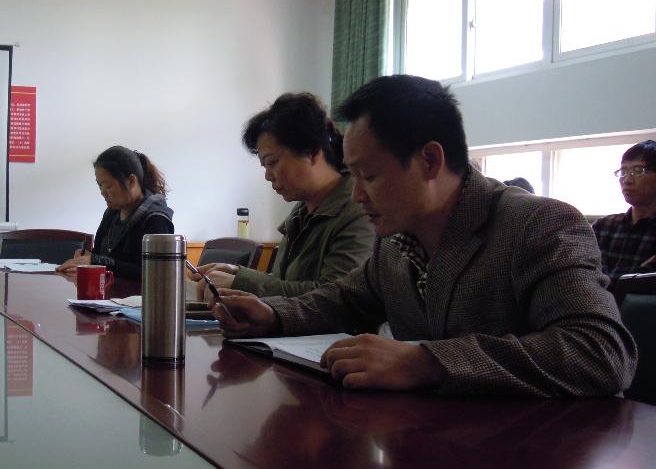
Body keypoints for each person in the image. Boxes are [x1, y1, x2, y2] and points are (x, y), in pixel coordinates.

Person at [214, 74, 635, 397]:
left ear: (430, 161)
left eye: (369, 176)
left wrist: (429, 362)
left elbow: (599, 352)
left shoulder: (538, 224)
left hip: (535, 462)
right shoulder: (396, 240)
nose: (356, 195)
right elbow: (345, 299)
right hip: (437, 449)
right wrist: (274, 315)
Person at [190, 92, 373, 299]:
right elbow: (288, 282)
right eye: (265, 166)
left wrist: (241, 282)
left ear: (312, 152)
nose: (268, 176)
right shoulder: (303, 210)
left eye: (272, 162)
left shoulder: (358, 210)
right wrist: (238, 273)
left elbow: (335, 297)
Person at [57, 145, 174, 279]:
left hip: (138, 293)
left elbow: (153, 273)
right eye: (100, 186)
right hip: (108, 290)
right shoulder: (112, 212)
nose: (102, 192)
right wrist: (88, 257)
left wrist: (96, 261)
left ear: (131, 181)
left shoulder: (156, 219)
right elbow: (100, 254)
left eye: (108, 186)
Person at [591, 140, 656, 279]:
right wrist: (641, 271)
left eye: (638, 170)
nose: (627, 180)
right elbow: (580, 276)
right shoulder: (602, 227)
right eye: (623, 171)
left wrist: (603, 277)